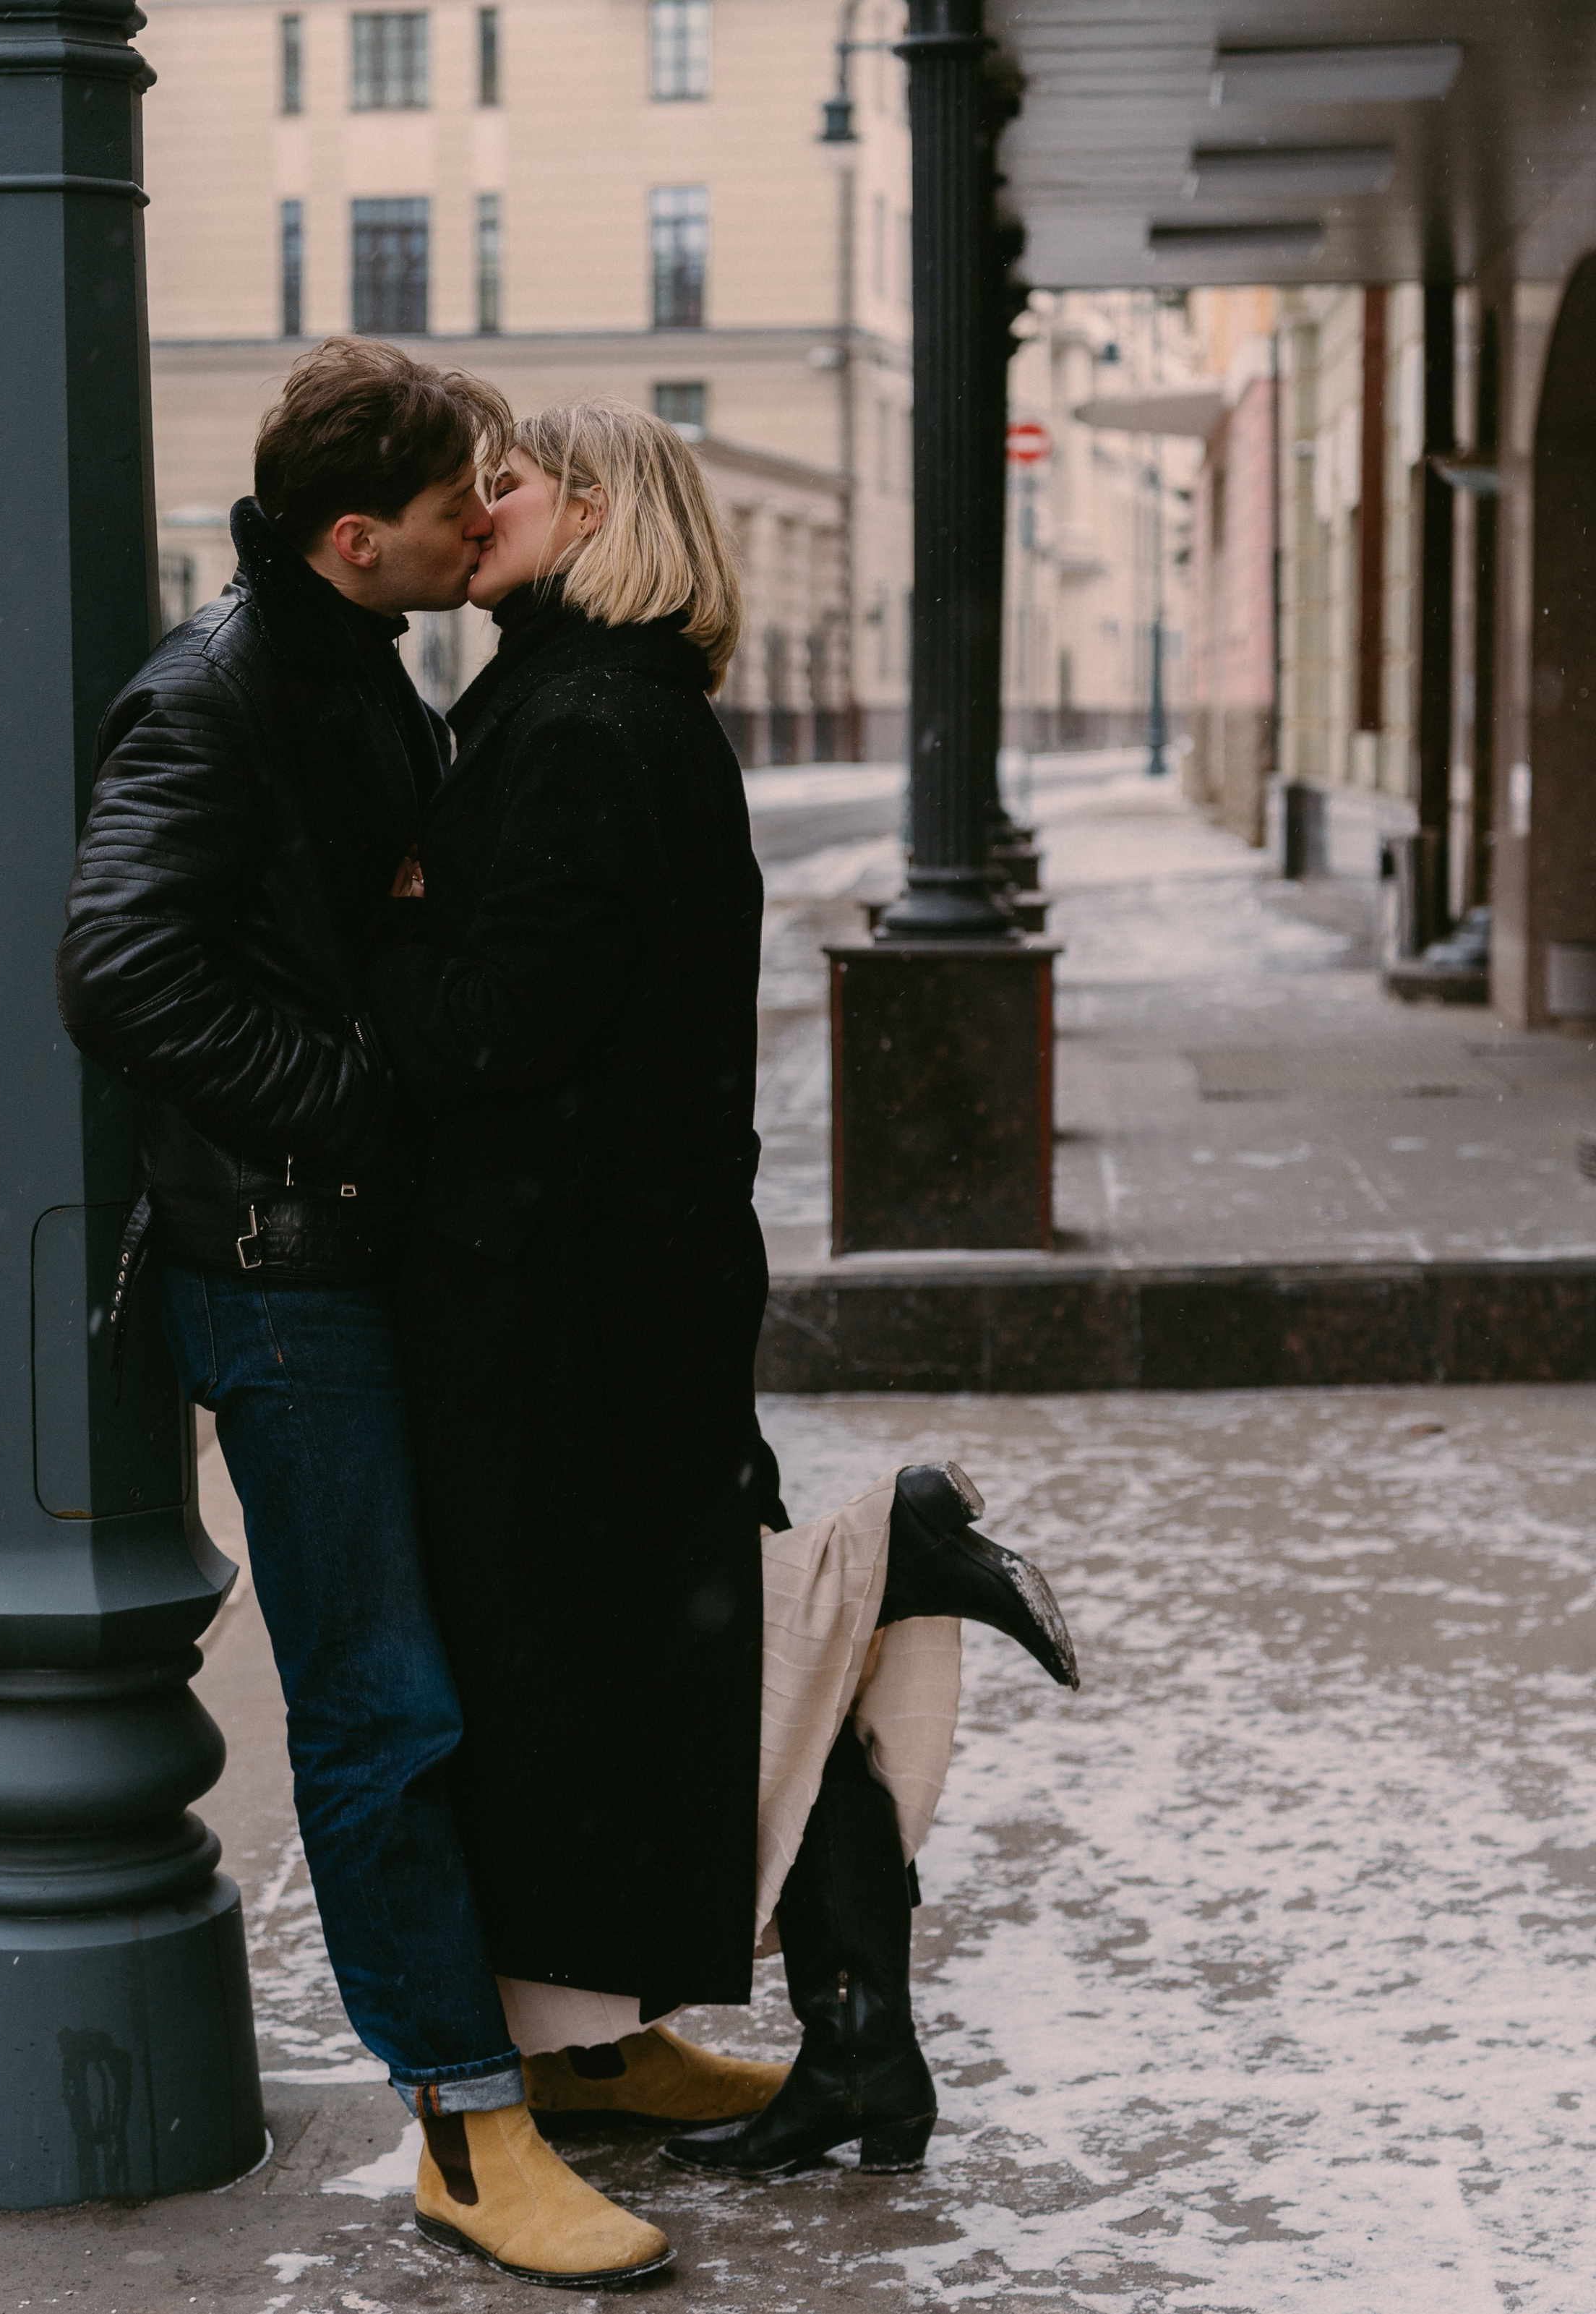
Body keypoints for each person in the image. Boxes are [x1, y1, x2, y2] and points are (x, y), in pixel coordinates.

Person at [359, 400, 1082, 2214]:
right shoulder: (618, 705)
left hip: (557, 1293)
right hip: (622, 1275)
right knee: (656, 1651)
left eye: (506, 484)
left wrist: (368, 931)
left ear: (590, 509)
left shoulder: (579, 723)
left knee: (628, 1661)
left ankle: (885, 1565)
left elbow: (516, 1029)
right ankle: (832, 2038)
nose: (475, 507)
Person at [56, 341, 674, 2291]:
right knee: (382, 1699)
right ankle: (469, 2129)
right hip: (273, 1269)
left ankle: (561, 2057)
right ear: (355, 539)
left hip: (357, 1253)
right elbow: (123, 969)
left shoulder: (359, 674)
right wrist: (355, 1101)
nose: (478, 515)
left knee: (460, 1666)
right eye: (450, 499)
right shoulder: (220, 694)